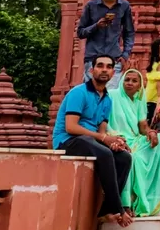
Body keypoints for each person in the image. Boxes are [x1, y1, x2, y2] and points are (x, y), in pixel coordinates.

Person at [54, 54, 135, 227]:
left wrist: (113, 142)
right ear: (92, 70)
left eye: (108, 67)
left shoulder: (107, 100)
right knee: (105, 154)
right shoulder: (79, 92)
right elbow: (71, 127)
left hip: (90, 142)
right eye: (100, 66)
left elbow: (102, 131)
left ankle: (105, 210)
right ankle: (118, 209)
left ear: (113, 72)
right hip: (68, 141)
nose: (104, 70)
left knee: (124, 157)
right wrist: (103, 139)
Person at [108, 68, 160, 217]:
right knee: (134, 159)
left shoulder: (139, 100)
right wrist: (113, 137)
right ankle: (127, 203)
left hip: (134, 137)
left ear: (140, 85)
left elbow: (143, 126)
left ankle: (155, 191)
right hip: (116, 137)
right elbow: (103, 121)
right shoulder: (112, 96)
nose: (130, 83)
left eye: (134, 81)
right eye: (127, 80)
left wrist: (151, 132)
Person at [76, 0, 135, 90]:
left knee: (111, 96)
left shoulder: (124, 6)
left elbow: (129, 32)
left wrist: (125, 55)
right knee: (91, 94)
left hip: (114, 58)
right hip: (93, 58)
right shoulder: (91, 6)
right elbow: (80, 32)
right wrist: (96, 26)